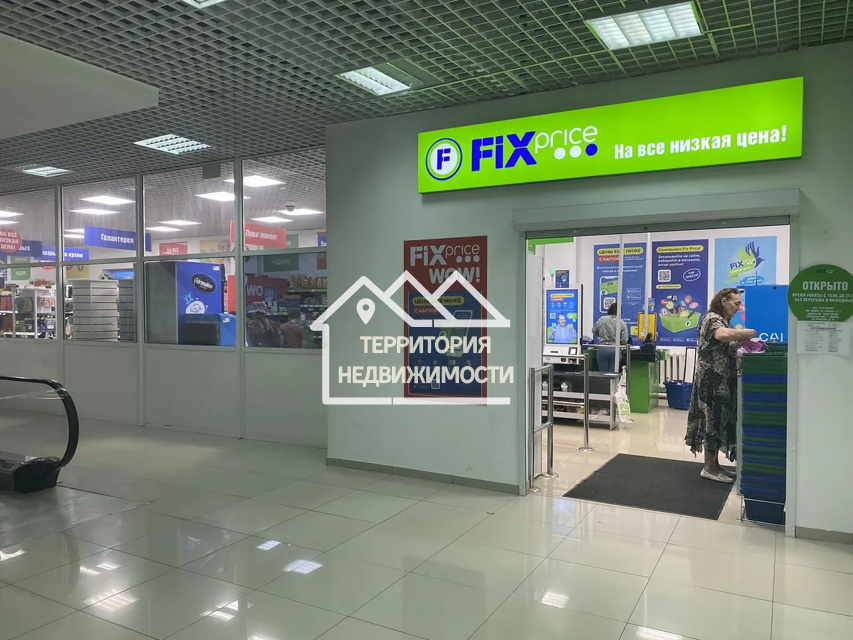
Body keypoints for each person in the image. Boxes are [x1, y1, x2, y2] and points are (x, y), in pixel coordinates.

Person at [685, 288, 756, 483]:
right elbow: (722, 335)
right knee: (712, 422)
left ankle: (715, 465)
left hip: (722, 382)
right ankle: (708, 468)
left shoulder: (725, 321)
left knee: (720, 422)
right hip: (712, 383)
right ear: (723, 301)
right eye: (736, 303)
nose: (738, 307)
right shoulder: (712, 319)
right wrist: (743, 334)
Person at [592, 302, 629, 373]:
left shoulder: (602, 319)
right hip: (615, 349)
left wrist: (602, 335)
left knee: (602, 373)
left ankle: (604, 380)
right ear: (620, 312)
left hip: (602, 348)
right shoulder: (622, 323)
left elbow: (594, 331)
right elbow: (624, 340)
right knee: (613, 373)